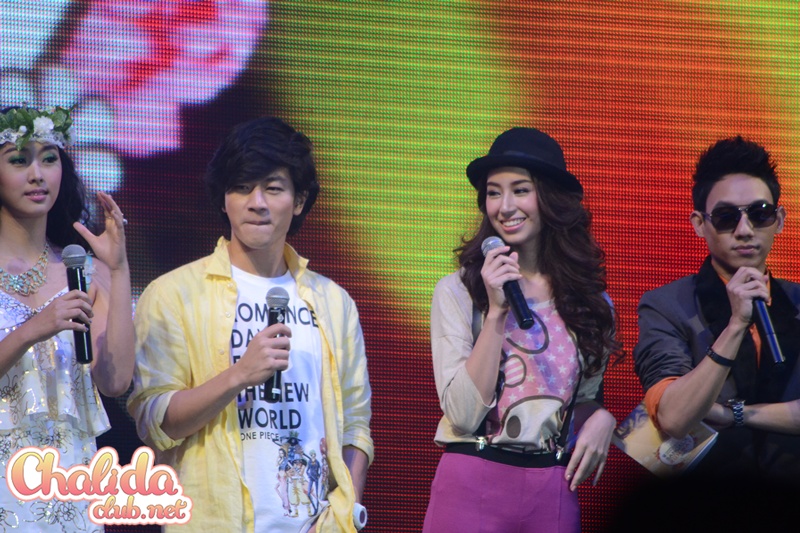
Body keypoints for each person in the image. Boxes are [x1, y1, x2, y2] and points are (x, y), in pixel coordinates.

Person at [128, 117, 373, 532]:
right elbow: (156, 423)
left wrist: (343, 515)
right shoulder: (174, 294)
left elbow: (355, 426)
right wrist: (239, 375)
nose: (256, 202)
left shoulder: (332, 302)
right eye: (242, 187)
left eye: (273, 188)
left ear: (299, 200)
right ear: (224, 199)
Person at [424, 128, 620, 533]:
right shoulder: (458, 291)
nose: (506, 206)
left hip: (551, 487)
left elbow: (577, 401)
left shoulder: (590, 302)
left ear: (550, 198)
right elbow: (462, 414)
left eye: (520, 190)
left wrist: (602, 417)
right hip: (473, 478)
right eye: (494, 193)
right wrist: (496, 312)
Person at [634, 136, 800, 482]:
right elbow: (674, 418)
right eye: (726, 217)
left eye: (760, 214)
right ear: (699, 223)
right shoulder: (666, 305)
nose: (745, 230)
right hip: (707, 497)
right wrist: (736, 325)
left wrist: (736, 414)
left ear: (780, 219)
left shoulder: (796, 300)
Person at [0, 106, 134, 531]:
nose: (37, 175)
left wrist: (118, 269)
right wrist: (32, 330)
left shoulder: (85, 271)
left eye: (49, 159)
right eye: (19, 161)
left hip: (68, 479)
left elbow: (115, 381)